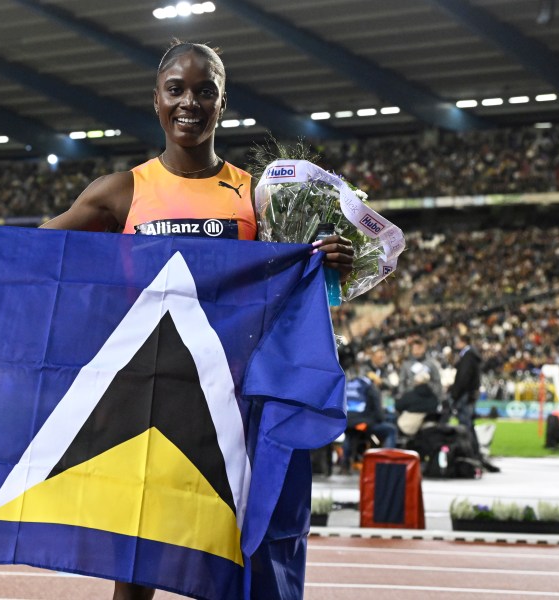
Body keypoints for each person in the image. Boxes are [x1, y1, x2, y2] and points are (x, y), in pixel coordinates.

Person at [40, 40, 357, 600]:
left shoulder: (254, 197)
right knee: (136, 568)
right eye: (176, 89)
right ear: (156, 100)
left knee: (225, 560)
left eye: (205, 90)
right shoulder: (122, 191)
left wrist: (325, 264)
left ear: (222, 102)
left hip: (227, 403)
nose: (190, 101)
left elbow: (286, 293)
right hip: (145, 400)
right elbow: (22, 251)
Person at [447, 334, 499, 472]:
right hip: (468, 395)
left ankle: (470, 452)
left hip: (464, 396)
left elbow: (463, 378)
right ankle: (474, 452)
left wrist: (454, 393)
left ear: (462, 342)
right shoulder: (471, 356)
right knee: (468, 425)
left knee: (465, 426)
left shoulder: (468, 356)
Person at [395, 366, 441, 437]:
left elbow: (398, 406)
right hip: (427, 429)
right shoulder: (433, 396)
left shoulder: (411, 395)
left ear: (416, 382)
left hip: (408, 426)